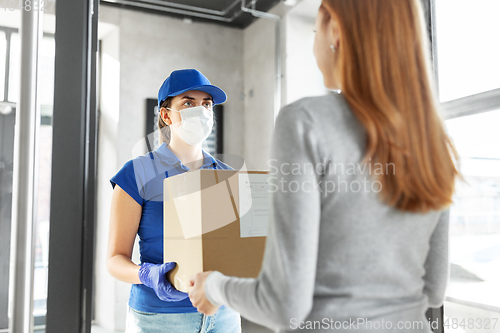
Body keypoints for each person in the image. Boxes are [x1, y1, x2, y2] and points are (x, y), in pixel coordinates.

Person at [189, 1, 460, 332]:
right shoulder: (433, 138)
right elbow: (434, 290)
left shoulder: (305, 122)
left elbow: (284, 307)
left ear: (335, 30)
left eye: (316, 29)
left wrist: (214, 287)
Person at [107, 68, 242, 332]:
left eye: (206, 104)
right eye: (188, 103)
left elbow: (234, 249)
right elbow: (115, 260)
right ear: (166, 115)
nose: (201, 111)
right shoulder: (136, 173)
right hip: (160, 319)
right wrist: (146, 275)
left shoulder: (227, 175)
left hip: (223, 314)